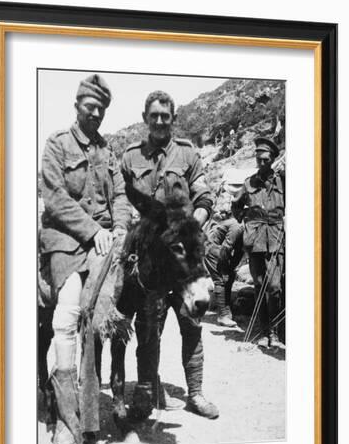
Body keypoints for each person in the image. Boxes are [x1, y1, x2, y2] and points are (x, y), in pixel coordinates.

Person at [39, 74, 131, 444]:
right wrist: (94, 231)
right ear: (77, 105)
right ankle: (65, 421)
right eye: (89, 106)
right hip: (65, 240)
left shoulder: (108, 151)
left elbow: (120, 195)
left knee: (99, 318)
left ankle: (89, 418)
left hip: (104, 242)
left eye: (101, 109)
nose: (95, 113)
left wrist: (121, 227)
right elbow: (55, 198)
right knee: (66, 317)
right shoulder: (57, 144)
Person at [121, 90, 219, 420]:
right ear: (145, 118)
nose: (160, 121)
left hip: (184, 258)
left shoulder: (188, 154)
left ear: (173, 118)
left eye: (166, 115)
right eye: (154, 115)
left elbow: (204, 197)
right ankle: (146, 392)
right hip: (150, 262)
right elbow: (124, 203)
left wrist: (190, 226)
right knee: (149, 328)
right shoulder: (130, 157)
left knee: (192, 325)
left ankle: (196, 393)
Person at [232, 136, 285, 347]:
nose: (261, 163)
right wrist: (246, 221)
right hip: (255, 240)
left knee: (275, 287)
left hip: (276, 236)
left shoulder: (284, 181)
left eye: (265, 159)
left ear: (272, 159)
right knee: (259, 284)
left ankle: (277, 331)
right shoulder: (248, 183)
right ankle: (265, 333)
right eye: (258, 159)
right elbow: (236, 207)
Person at [204, 180, 244, 327]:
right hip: (213, 250)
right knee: (221, 280)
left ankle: (226, 312)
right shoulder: (236, 225)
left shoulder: (238, 225)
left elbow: (238, 250)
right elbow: (227, 248)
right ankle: (222, 315)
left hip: (217, 250)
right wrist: (226, 266)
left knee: (228, 277)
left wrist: (232, 267)